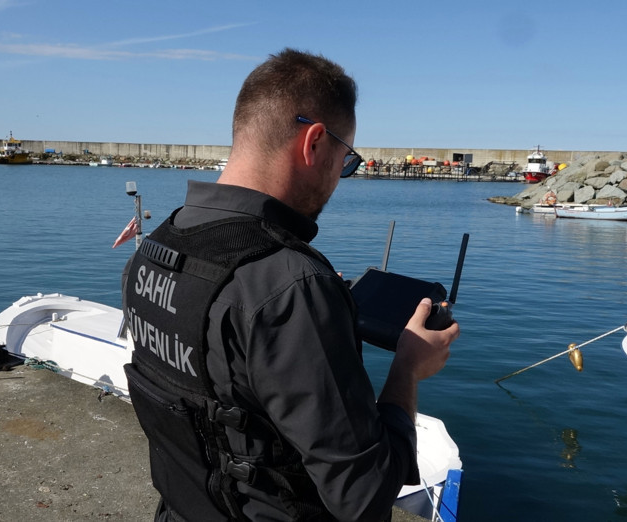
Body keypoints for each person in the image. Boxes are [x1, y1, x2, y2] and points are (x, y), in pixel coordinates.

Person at [121, 48, 459, 522]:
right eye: (347, 161)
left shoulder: (155, 249)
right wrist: (408, 365)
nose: (342, 179)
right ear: (315, 142)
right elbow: (363, 495)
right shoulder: (292, 287)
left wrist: (311, 321)